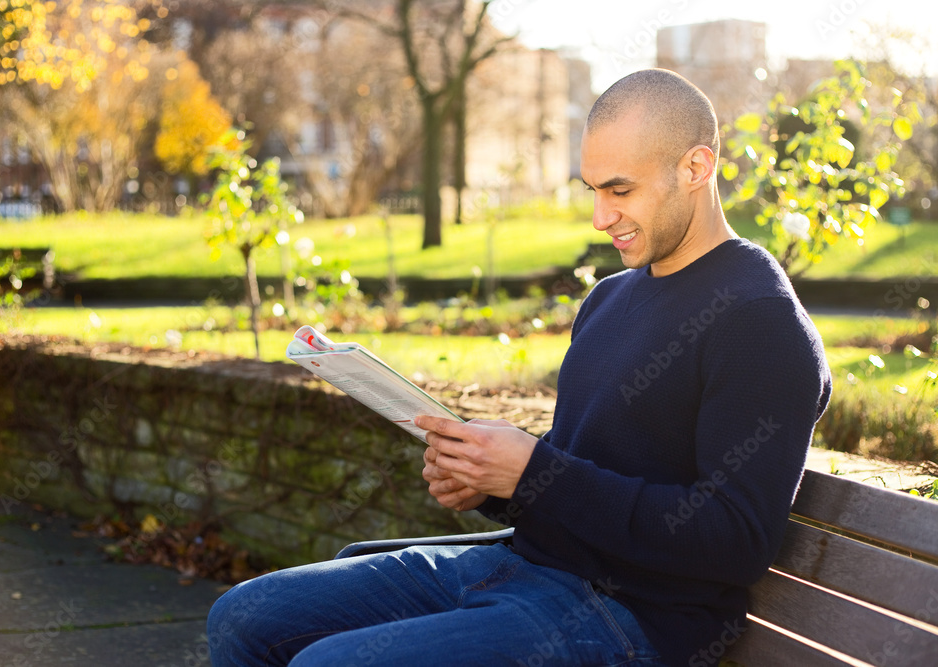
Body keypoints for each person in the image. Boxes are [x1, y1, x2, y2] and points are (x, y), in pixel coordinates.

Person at [206, 68, 832, 667]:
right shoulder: (611, 300)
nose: (600, 217)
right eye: (592, 190)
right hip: (520, 568)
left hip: (630, 616)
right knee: (243, 616)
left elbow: (733, 542)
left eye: (621, 190)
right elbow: (575, 476)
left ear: (697, 167)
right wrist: (491, 484)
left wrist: (535, 471)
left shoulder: (758, 321)